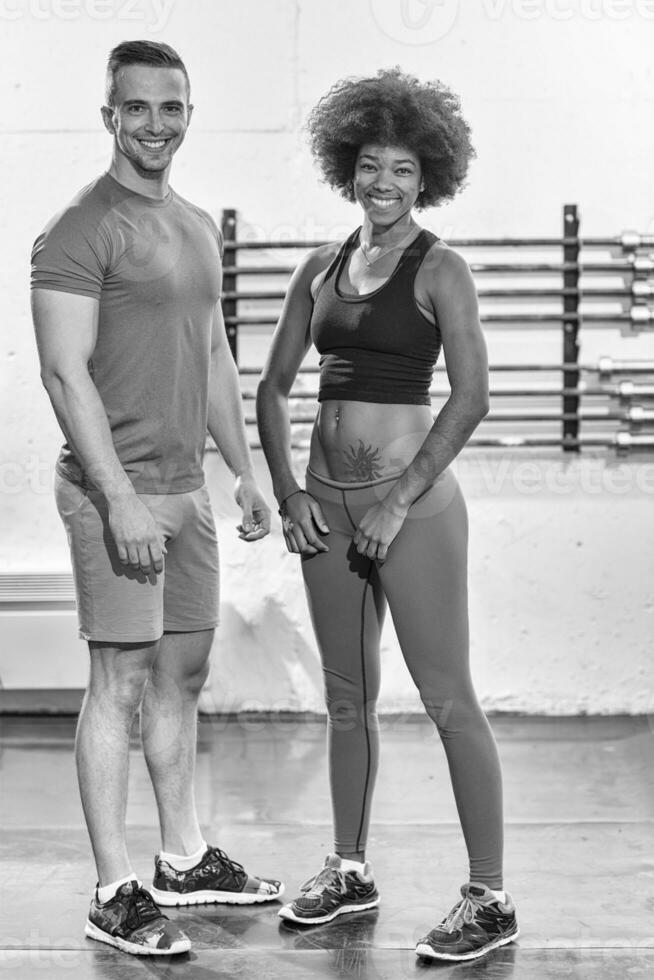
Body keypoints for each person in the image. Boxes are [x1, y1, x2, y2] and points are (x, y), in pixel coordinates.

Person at [256, 68, 518, 963]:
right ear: (349, 168)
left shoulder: (440, 267)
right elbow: (273, 385)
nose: (384, 182)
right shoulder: (321, 267)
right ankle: (349, 868)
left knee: (447, 699)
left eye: (403, 168)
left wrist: (400, 499)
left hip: (414, 513)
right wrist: (291, 491)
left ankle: (489, 894)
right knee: (346, 700)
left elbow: (474, 396)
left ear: (427, 176)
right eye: (370, 164)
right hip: (326, 513)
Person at [31, 40, 283, 958]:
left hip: (185, 494)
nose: (155, 125)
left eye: (170, 108)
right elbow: (64, 375)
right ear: (108, 116)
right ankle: (112, 887)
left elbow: (213, 355)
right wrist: (119, 500)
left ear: (188, 113)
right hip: (117, 496)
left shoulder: (194, 224)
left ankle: (183, 859)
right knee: (119, 681)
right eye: (135, 108)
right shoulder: (78, 229)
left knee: (182, 675)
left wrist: (244, 470)